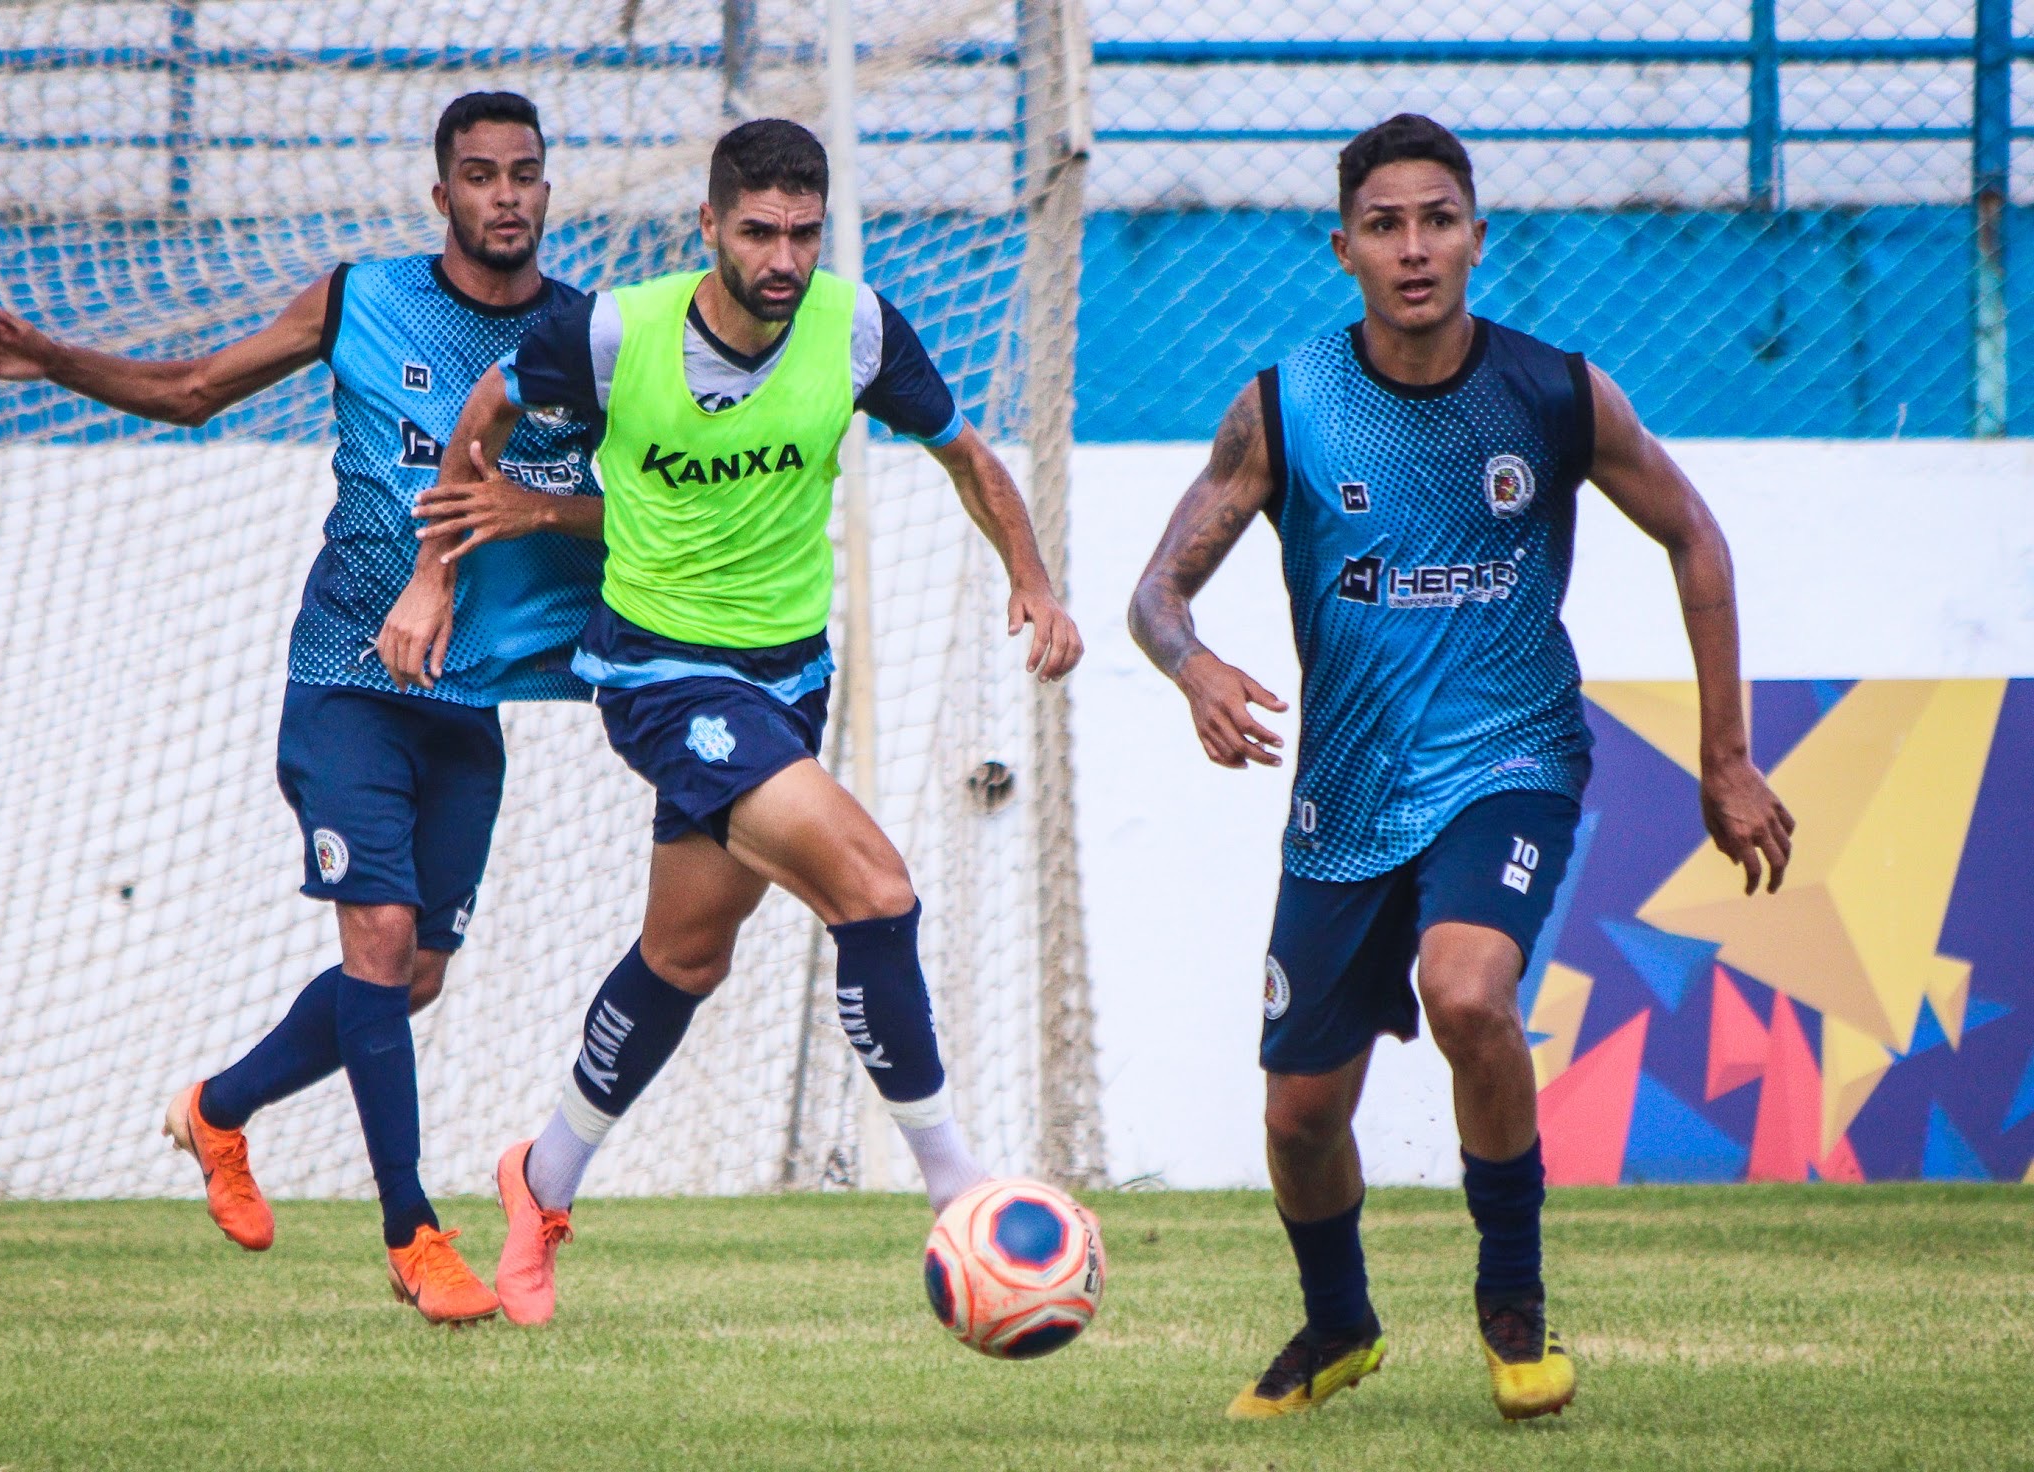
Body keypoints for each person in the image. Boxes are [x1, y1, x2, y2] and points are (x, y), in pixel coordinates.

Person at [1127, 114, 1794, 1421]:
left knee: (1468, 992)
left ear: (1479, 239)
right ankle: (1340, 1324)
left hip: (1513, 761)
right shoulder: (1286, 405)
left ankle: (1515, 1308)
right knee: (1300, 1116)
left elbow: (1694, 535)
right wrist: (1190, 664)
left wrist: (1727, 758)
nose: (1414, 246)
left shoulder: (1552, 393)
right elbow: (1158, 590)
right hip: (1348, 797)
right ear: (1344, 250)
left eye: (1438, 219)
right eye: (1385, 224)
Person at [0, 92, 607, 1324]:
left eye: (526, 174)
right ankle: (413, 1231)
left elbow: (652, 502)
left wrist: (551, 522)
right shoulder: (361, 300)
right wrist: (61, 360)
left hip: (471, 700)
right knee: (381, 945)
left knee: (414, 977)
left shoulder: (586, 336)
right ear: (439, 192)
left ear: (549, 192)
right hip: (346, 678)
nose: (505, 194)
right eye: (480, 174)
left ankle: (218, 1109)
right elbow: (192, 389)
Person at [409, 117, 1083, 1327]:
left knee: (685, 956)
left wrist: (1030, 578)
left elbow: (967, 456)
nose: (784, 258)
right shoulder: (617, 330)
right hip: (660, 673)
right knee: (874, 887)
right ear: (710, 225)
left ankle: (538, 1177)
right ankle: (957, 1188)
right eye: (760, 231)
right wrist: (441, 563)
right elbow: (490, 400)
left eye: (804, 234)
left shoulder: (857, 325)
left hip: (788, 679)